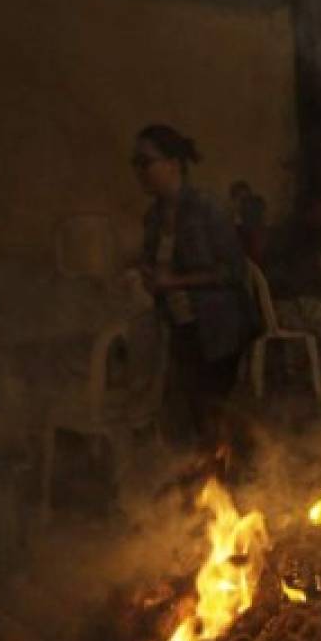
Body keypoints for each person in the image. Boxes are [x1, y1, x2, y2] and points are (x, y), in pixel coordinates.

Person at [133, 124, 256, 447]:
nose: (139, 171)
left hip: (218, 328)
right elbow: (153, 266)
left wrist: (176, 281)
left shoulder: (205, 208)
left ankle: (236, 485)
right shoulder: (153, 218)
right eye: (136, 163)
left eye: (146, 162)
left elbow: (233, 269)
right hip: (180, 329)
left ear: (173, 165)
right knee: (191, 420)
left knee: (215, 417)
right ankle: (206, 489)